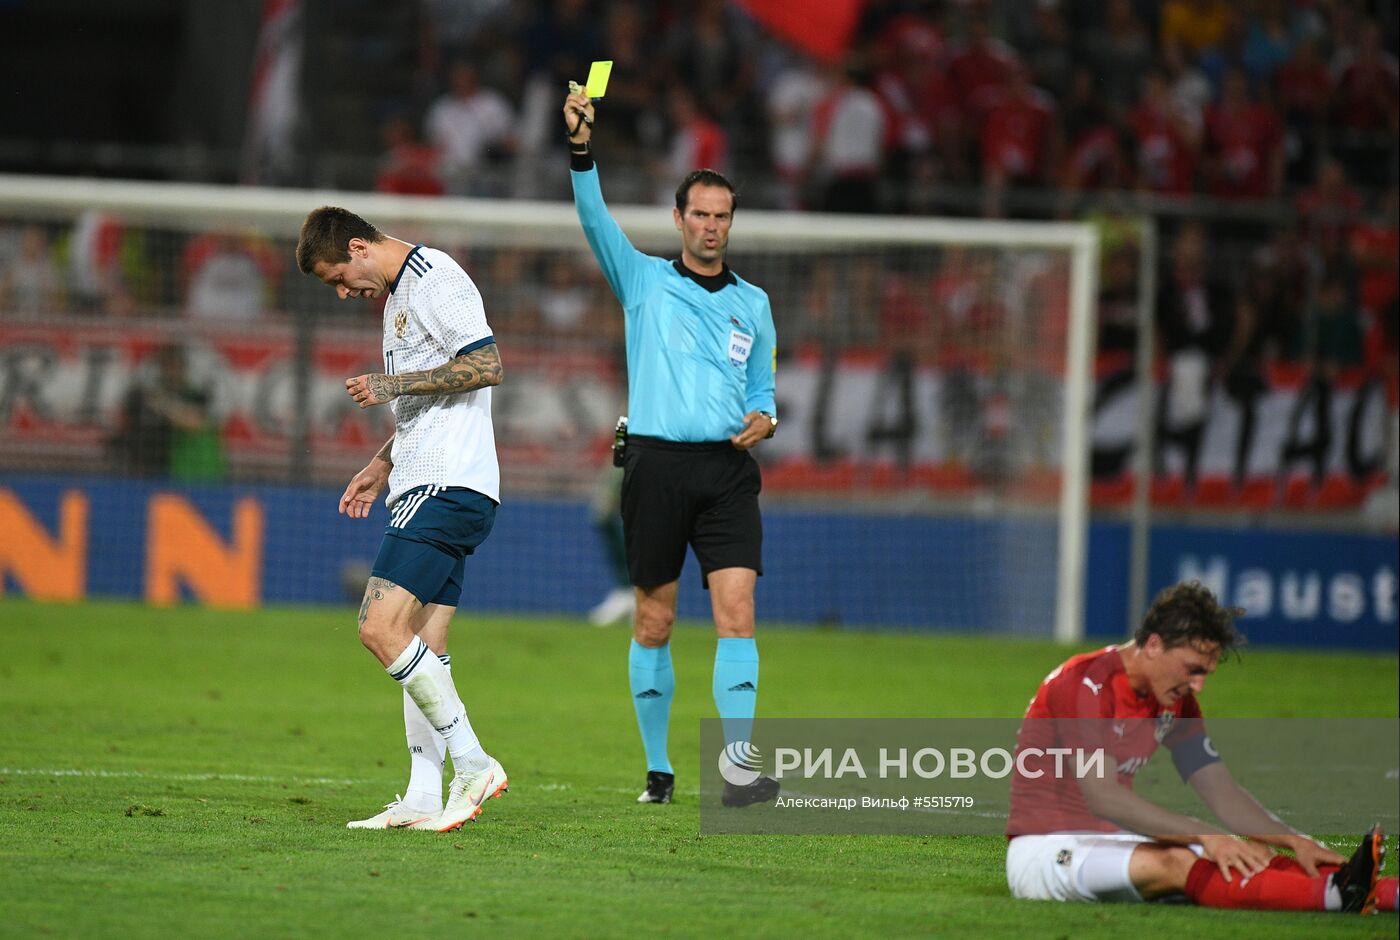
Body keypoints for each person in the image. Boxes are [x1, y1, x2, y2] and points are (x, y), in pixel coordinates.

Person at [563, 86, 780, 808]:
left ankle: (741, 771)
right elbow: (592, 216)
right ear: (680, 219)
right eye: (701, 215)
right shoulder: (643, 282)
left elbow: (764, 389)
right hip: (654, 466)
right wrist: (581, 148)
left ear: (730, 223)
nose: (712, 227)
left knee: (737, 612)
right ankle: (658, 770)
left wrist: (765, 419)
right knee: (655, 621)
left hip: (726, 470)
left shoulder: (754, 304)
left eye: (723, 217)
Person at [295, 206, 507, 832]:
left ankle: (473, 763)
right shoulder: (396, 299)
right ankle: (422, 793)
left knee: (378, 627)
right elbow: (431, 399)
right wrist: (382, 461)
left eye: (339, 276)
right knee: (426, 647)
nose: (342, 292)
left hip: (446, 483)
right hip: (435, 479)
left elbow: (487, 364)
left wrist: (392, 386)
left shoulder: (435, 276)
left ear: (360, 246)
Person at [1006, 581, 1396, 915]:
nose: (1198, 686)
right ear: (1154, 644)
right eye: (1192, 669)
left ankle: (1381, 890)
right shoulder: (1086, 684)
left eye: (1205, 674)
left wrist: (1292, 840)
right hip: (1045, 850)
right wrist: (1209, 835)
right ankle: (1333, 897)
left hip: (1110, 839)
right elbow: (1104, 798)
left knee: (1250, 852)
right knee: (1181, 859)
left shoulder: (1175, 699)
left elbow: (1221, 791)